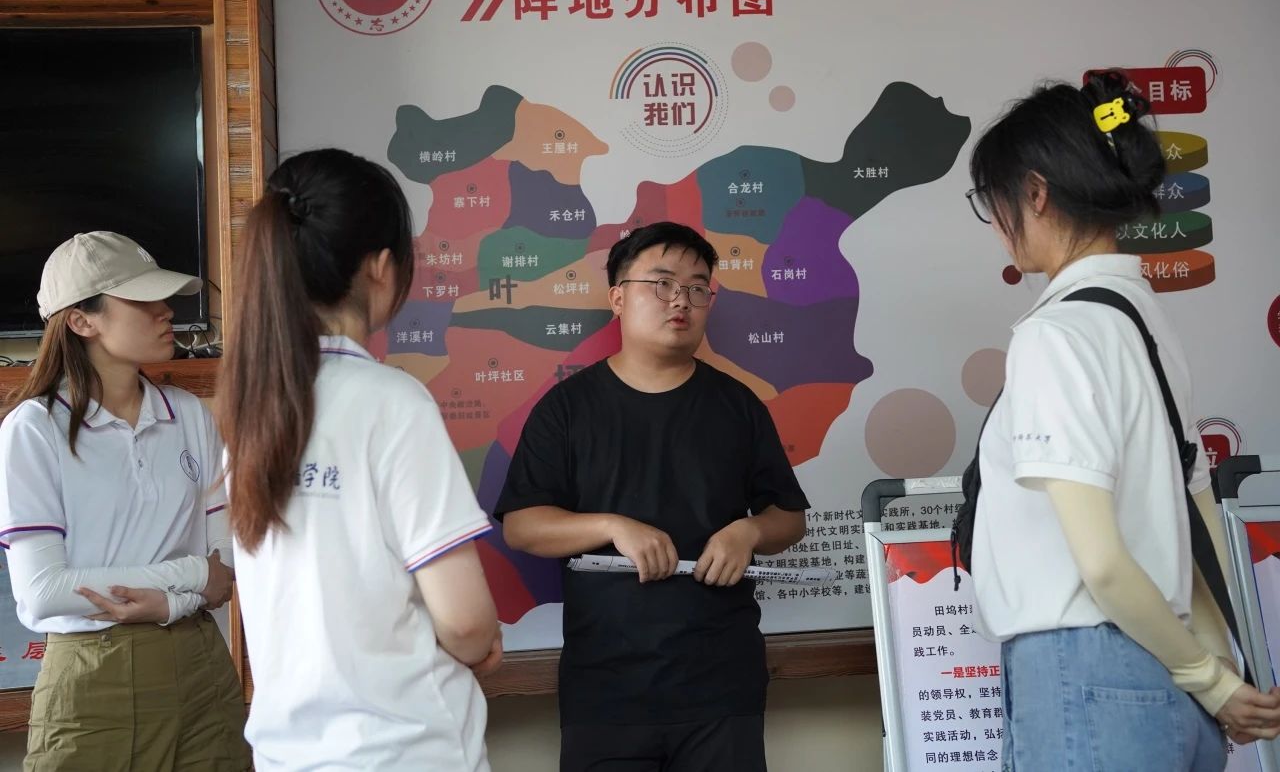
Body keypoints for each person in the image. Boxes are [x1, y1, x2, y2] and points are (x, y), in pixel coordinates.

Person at [966, 71, 1280, 769]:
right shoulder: (1145, 324)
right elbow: (1193, 525)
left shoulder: (1054, 335)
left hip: (1083, 674)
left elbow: (1103, 563)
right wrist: (1217, 673)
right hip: (1172, 674)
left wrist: (1213, 681)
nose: (996, 225)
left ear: (1035, 192)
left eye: (993, 199)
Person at [218, 148, 502, 771]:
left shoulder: (248, 411)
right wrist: (481, 640)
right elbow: (466, 622)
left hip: (289, 756)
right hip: (404, 752)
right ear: (380, 266)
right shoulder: (392, 401)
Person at [496, 221, 809, 772]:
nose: (680, 300)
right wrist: (612, 526)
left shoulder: (738, 406)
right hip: (605, 688)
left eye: (697, 288)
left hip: (721, 683)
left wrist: (750, 531)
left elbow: (789, 517)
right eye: (662, 284)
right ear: (618, 298)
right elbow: (522, 526)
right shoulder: (566, 409)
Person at [0, 231, 250, 771]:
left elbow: (225, 571)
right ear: (81, 320)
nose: (166, 311)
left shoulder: (189, 415)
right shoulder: (34, 429)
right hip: (95, 680)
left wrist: (173, 603)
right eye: (142, 299)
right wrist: (188, 575)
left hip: (203, 665)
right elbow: (43, 592)